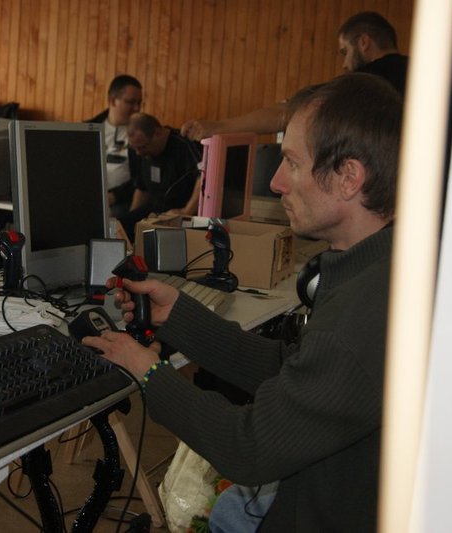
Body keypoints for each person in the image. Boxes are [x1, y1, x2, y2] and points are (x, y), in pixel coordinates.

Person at [83, 73, 402, 531]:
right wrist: (181, 316)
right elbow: (291, 369)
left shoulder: (359, 316)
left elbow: (247, 447)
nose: (276, 181)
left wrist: (148, 372)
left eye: (292, 162)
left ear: (348, 178)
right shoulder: (381, 269)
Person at [180, 11, 407, 141]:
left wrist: (217, 127)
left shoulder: (364, 82)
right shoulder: (418, 74)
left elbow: (290, 112)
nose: (345, 64)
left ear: (364, 43)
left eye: (344, 52)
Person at [118, 112, 203, 241]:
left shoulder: (184, 144)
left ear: (157, 133)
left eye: (143, 146)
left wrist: (186, 211)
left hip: (181, 210)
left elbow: (202, 177)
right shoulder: (141, 151)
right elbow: (142, 189)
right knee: (120, 226)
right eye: (135, 148)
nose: (139, 153)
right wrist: (132, 216)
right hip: (154, 210)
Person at [86, 74, 143, 217]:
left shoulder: (142, 134)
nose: (137, 108)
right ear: (112, 101)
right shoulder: (88, 129)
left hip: (122, 201)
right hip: (90, 197)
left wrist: (114, 196)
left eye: (139, 103)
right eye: (131, 102)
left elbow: (143, 179)